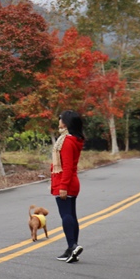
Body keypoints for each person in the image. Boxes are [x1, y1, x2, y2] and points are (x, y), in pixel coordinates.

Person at [51, 109, 85, 263]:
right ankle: (71, 249)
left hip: (66, 182)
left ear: (65, 123)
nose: (59, 121)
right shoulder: (73, 139)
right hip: (71, 181)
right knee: (71, 215)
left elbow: (68, 167)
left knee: (66, 215)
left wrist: (62, 186)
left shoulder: (66, 142)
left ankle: (73, 245)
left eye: (60, 118)